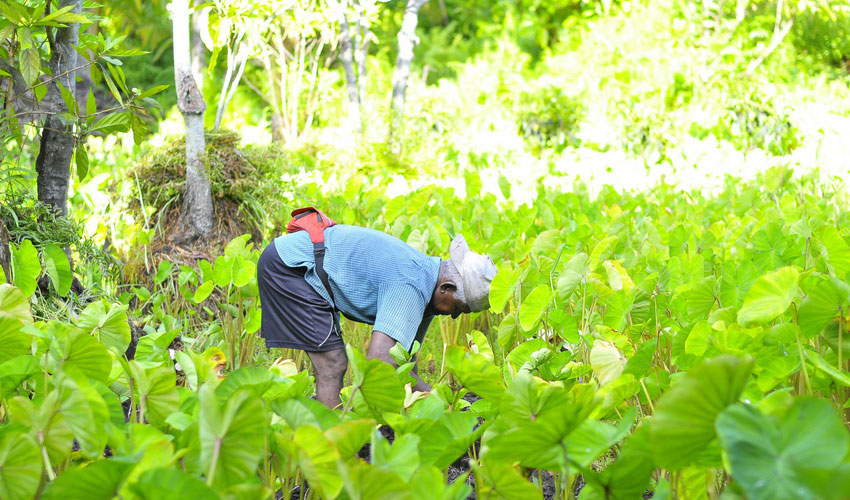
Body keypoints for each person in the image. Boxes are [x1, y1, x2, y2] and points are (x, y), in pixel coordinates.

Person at [256, 223, 497, 408]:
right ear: (447, 288)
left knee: (334, 365)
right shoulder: (412, 285)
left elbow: (403, 366)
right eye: (458, 309)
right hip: (291, 267)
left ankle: (324, 421)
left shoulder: (429, 286)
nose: (454, 317)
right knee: (333, 363)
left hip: (307, 264)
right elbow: (380, 363)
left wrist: (442, 401)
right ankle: (332, 446)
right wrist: (436, 399)